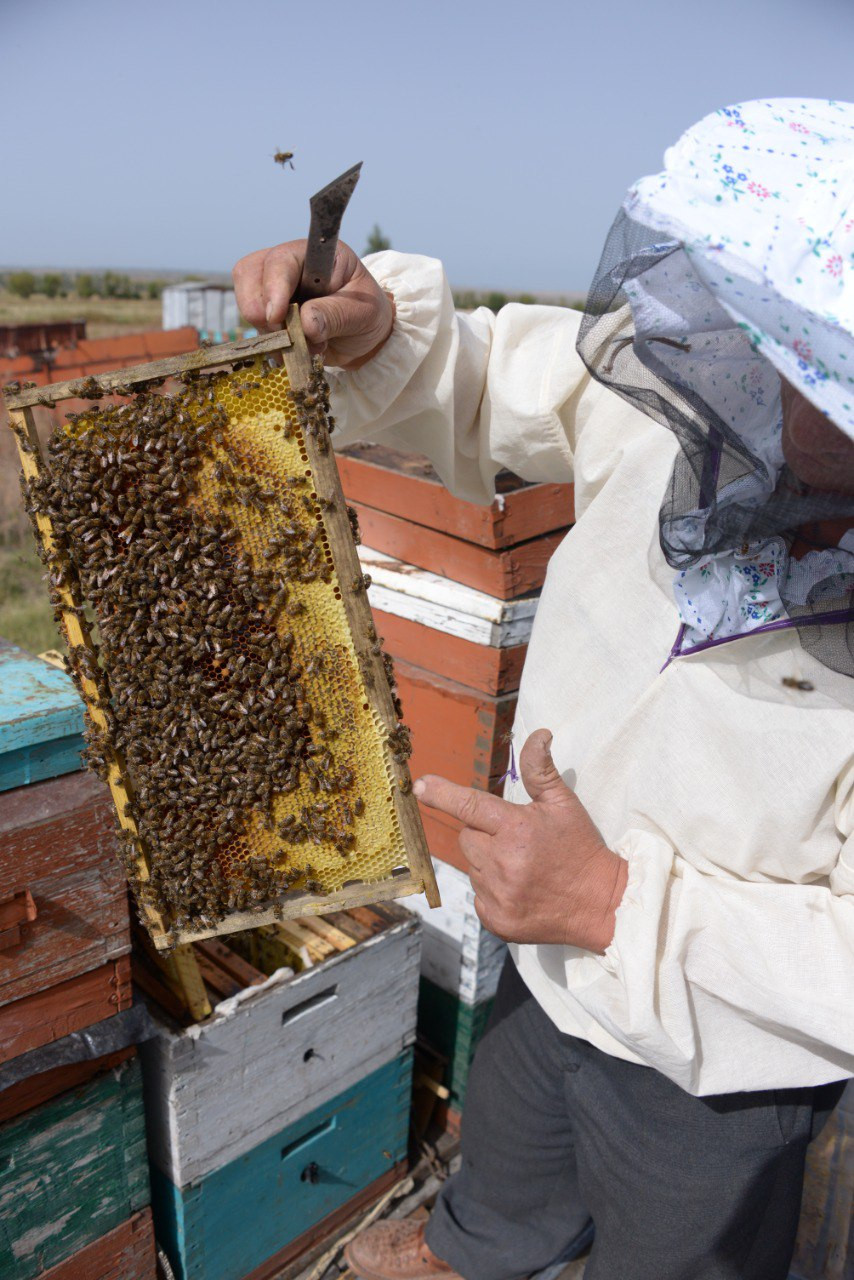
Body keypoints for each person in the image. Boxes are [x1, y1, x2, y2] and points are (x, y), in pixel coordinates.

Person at [233, 98, 854, 1280]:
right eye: (779, 336)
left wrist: (616, 905)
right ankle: (473, 1245)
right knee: (512, 1139)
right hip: (538, 955)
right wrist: (378, 335)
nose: (781, 385)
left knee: (676, 1244)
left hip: (720, 1058)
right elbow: (490, 380)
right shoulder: (684, 401)